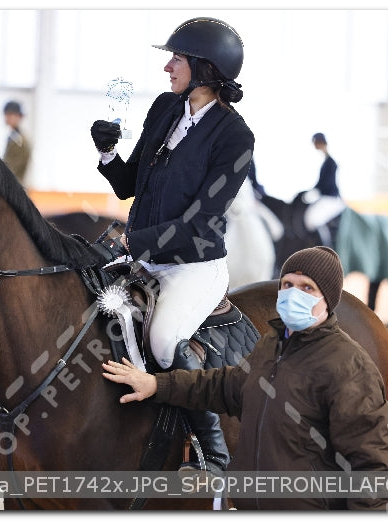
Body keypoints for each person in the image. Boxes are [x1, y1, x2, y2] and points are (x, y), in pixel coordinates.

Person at [103, 246, 388, 510]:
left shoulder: (350, 367)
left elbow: (371, 465)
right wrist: (156, 384)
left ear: (327, 299)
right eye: (287, 285)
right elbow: (227, 386)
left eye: (307, 288)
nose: (294, 294)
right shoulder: (273, 345)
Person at [89, 17, 254, 476]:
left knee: (163, 340)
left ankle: (212, 453)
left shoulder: (236, 137)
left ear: (204, 68)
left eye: (176, 59)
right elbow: (127, 186)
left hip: (193, 267)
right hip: (142, 257)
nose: (167, 67)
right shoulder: (165, 108)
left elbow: (200, 222)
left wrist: (132, 239)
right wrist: (107, 153)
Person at [302, 133, 345, 247]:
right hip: (325, 197)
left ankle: (325, 248)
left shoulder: (330, 163)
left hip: (330, 199)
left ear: (320, 142)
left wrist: (314, 190)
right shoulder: (326, 162)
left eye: (315, 142)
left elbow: (326, 184)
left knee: (312, 220)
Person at [2, 100, 32, 185]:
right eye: (6, 114)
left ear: (19, 117)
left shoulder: (19, 141)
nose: (7, 117)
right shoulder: (13, 137)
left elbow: (11, 169)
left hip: (14, 189)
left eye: (10, 114)